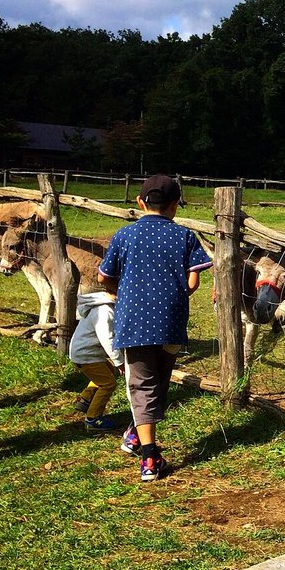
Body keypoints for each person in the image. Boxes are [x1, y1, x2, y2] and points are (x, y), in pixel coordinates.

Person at [98, 174, 212, 481]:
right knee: (160, 380)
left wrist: (116, 291)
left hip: (133, 321)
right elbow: (193, 281)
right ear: (175, 206)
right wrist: (171, 296)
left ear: (139, 202)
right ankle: (136, 433)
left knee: (141, 384)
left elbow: (104, 276)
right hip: (171, 320)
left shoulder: (124, 235)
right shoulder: (185, 236)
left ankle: (149, 458)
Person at [69, 290, 123, 431]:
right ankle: (93, 418)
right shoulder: (105, 312)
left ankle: (85, 398)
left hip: (83, 353)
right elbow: (108, 340)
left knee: (107, 371)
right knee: (108, 385)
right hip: (87, 356)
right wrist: (119, 362)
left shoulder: (101, 304)